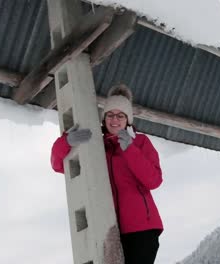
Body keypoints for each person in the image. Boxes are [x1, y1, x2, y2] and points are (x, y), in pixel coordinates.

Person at [51, 84, 164, 264]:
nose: (115, 120)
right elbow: (58, 165)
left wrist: (129, 149)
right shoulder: (97, 147)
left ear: (128, 119)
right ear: (104, 119)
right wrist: (67, 141)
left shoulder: (141, 142)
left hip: (142, 228)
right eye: (110, 115)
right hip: (110, 230)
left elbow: (154, 180)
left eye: (121, 115)